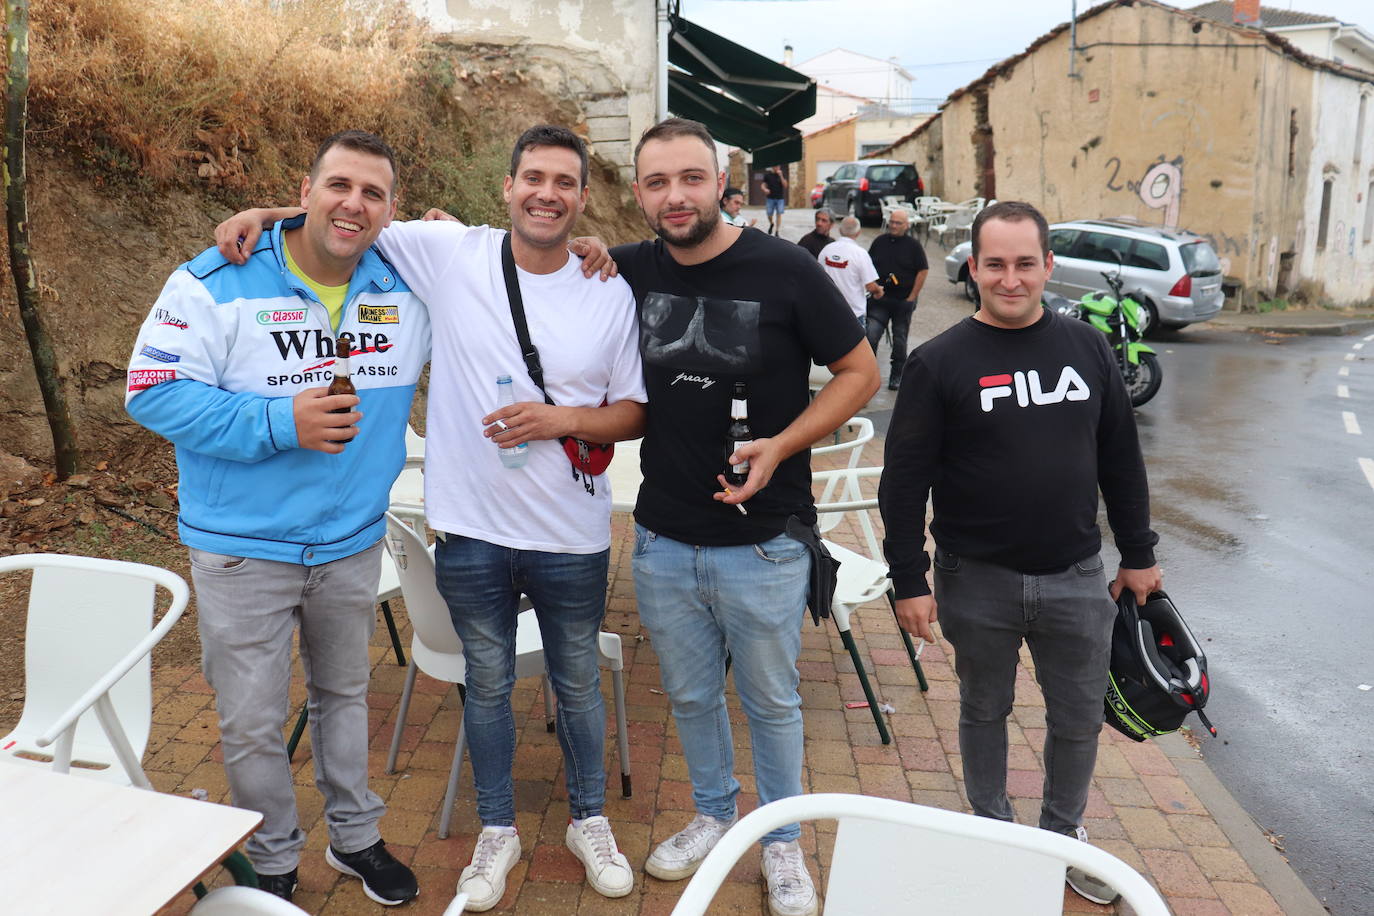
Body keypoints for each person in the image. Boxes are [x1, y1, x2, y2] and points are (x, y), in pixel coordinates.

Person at [212, 126, 643, 912]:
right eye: (534, 178)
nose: (547, 193)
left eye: (564, 183)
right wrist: (260, 212)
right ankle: (496, 831)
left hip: (570, 534)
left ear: (583, 199)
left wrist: (558, 420)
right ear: (507, 187)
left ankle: (589, 820)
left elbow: (633, 412)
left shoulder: (605, 286)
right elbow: (347, 213)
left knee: (577, 684)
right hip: (472, 529)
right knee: (486, 684)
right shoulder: (450, 251)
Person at [126, 130, 425, 906]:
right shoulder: (215, 277)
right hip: (242, 549)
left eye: (373, 193)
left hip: (350, 541)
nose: (353, 204)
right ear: (306, 187)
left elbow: (513, 250)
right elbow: (152, 390)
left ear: (392, 210)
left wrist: (595, 249)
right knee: (253, 721)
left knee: (345, 696)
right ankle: (273, 856)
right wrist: (277, 423)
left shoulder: (408, 282)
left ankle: (356, 839)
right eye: (339, 186)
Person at [612, 118, 880, 916]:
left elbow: (859, 372)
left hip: (764, 543)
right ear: (639, 194)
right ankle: (713, 814)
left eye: (690, 178)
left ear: (721, 182)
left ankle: (782, 842)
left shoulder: (786, 268)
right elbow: (517, 246)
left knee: (771, 702)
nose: (676, 195)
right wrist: (279, 219)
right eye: (658, 182)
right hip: (661, 537)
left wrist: (782, 445)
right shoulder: (626, 267)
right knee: (691, 698)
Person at [877, 200, 1162, 907]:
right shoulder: (938, 363)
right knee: (983, 709)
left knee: (1076, 717)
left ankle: (1062, 836)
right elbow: (903, 482)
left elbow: (1121, 459)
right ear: (973, 267)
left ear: (1047, 267)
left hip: (1075, 576)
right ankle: (994, 834)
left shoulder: (1087, 349)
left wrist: (1139, 552)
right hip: (977, 580)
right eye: (995, 264)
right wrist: (909, 579)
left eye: (1025, 264)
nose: (1011, 279)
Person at [865, 207, 928, 390]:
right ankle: (868, 376)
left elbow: (923, 271)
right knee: (871, 336)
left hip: (903, 301)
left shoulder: (914, 246)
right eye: (891, 222)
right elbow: (867, 266)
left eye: (898, 223)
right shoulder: (879, 242)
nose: (893, 225)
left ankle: (897, 376)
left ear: (906, 225)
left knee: (900, 340)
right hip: (880, 300)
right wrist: (873, 287)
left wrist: (912, 297)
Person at [817, 216, 881, 327]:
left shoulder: (826, 250)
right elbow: (870, 286)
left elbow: (818, 277)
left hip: (828, 311)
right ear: (858, 233)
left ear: (840, 230)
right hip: (853, 314)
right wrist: (879, 291)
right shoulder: (860, 254)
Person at [762, 164, 788, 236]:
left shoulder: (782, 174)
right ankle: (771, 223)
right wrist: (765, 189)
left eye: (779, 166)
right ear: (773, 167)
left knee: (779, 214)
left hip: (780, 198)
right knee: (769, 214)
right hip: (770, 198)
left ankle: (777, 231)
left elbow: (785, 185)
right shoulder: (767, 175)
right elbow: (763, 185)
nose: (777, 168)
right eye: (776, 166)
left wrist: (781, 176)